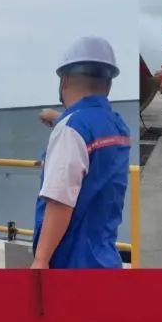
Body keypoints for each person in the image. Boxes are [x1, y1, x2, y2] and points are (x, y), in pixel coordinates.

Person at [31, 36, 130, 269]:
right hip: (104, 257)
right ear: (109, 84)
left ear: (64, 80)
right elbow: (92, 138)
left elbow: (60, 201)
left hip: (72, 263)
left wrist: (40, 260)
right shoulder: (118, 125)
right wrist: (60, 119)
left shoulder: (71, 129)